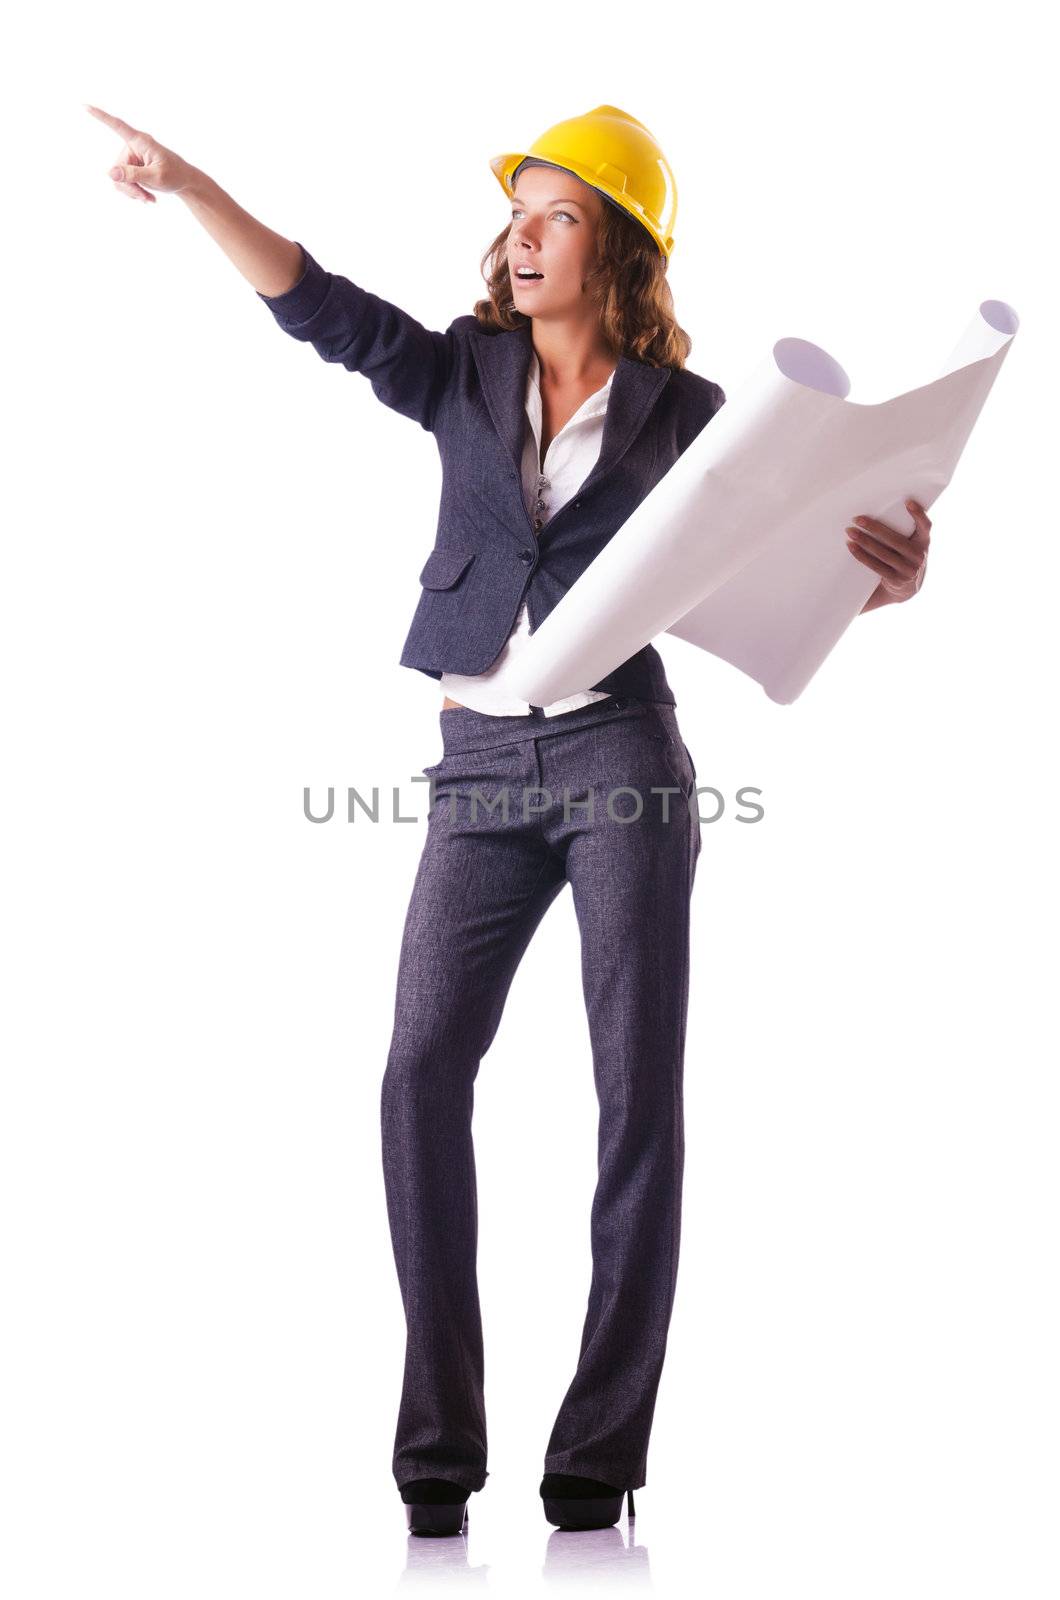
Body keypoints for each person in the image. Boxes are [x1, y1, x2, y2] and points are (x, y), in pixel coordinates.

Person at [87, 101, 931, 1539]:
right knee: (419, 1070)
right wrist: (196, 189)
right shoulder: (464, 369)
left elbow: (784, 561)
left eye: (559, 216)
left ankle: (600, 1449)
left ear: (620, 254)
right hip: (475, 764)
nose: (523, 236)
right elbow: (324, 310)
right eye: (519, 213)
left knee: (634, 1097)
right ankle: (439, 1440)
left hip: (624, 760)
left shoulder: (693, 415)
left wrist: (884, 575)